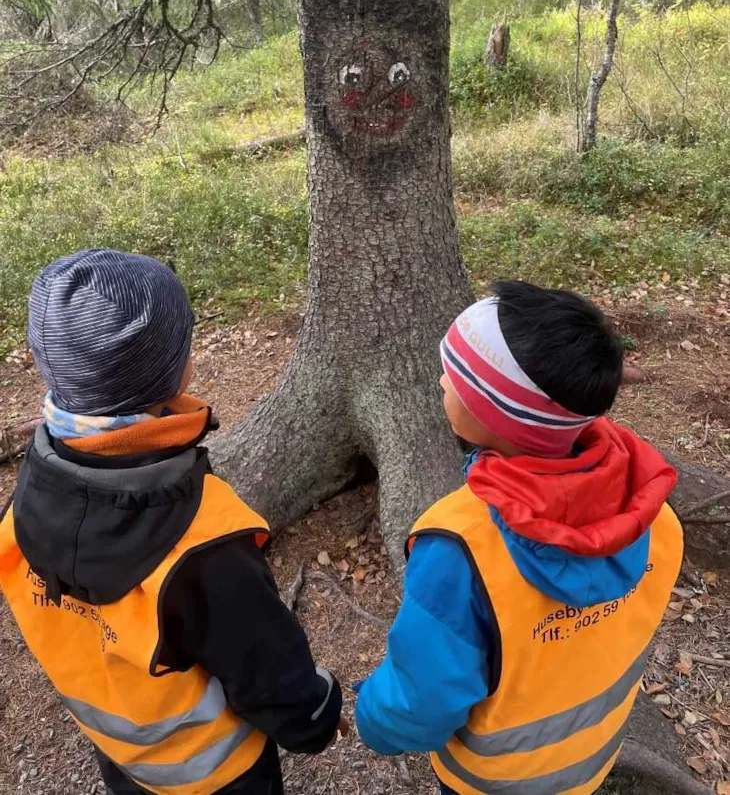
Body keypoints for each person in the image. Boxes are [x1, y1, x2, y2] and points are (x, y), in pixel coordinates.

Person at [0, 249, 347, 795]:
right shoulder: (206, 539)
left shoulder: (28, 494)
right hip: (218, 775)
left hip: (122, 755)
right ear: (168, 369)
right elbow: (265, 667)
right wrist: (316, 717)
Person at [355, 280, 683, 795]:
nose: (441, 381)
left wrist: (371, 716)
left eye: (454, 377)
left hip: (492, 782)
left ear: (491, 415)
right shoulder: (656, 516)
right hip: (592, 758)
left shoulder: (458, 549)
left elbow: (422, 701)